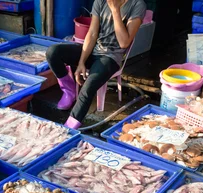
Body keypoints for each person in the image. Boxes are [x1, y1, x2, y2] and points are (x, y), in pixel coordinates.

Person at [45, 0, 145, 129]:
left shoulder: (137, 5)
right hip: (94, 50)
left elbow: (124, 43)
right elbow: (92, 33)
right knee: (53, 52)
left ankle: (69, 128)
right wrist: (81, 62)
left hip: (111, 57)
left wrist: (115, 10)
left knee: (89, 86)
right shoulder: (100, 1)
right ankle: (69, 91)